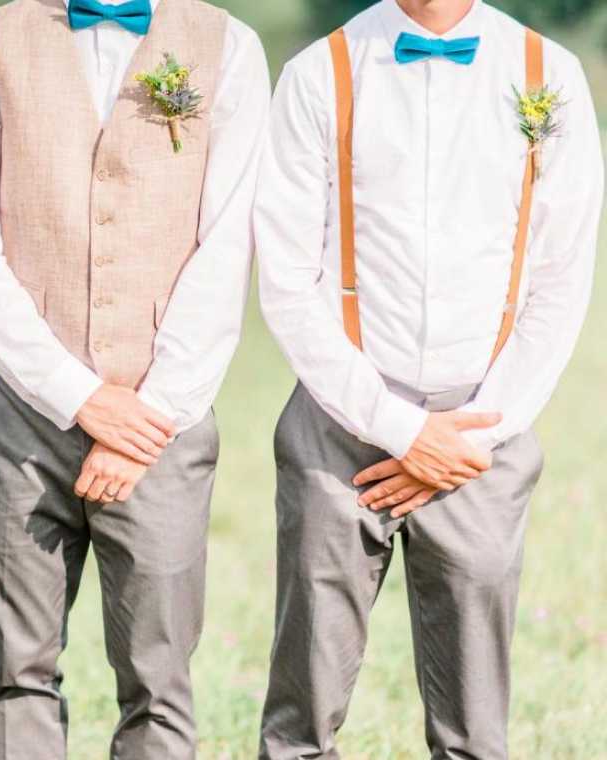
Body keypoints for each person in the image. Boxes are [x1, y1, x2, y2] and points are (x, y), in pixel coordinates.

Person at [255, 1, 601, 757]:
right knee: (299, 720)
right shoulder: (319, 73)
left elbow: (561, 279)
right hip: (338, 423)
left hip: (483, 434)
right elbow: (285, 280)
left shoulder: (550, 76)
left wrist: (476, 433)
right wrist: (402, 430)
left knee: (474, 730)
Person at [0, 0, 269, 756]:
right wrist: (78, 395)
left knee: (159, 683)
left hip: (162, 426)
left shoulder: (231, 47)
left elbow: (227, 247)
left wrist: (152, 412)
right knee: (18, 671)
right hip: (19, 413)